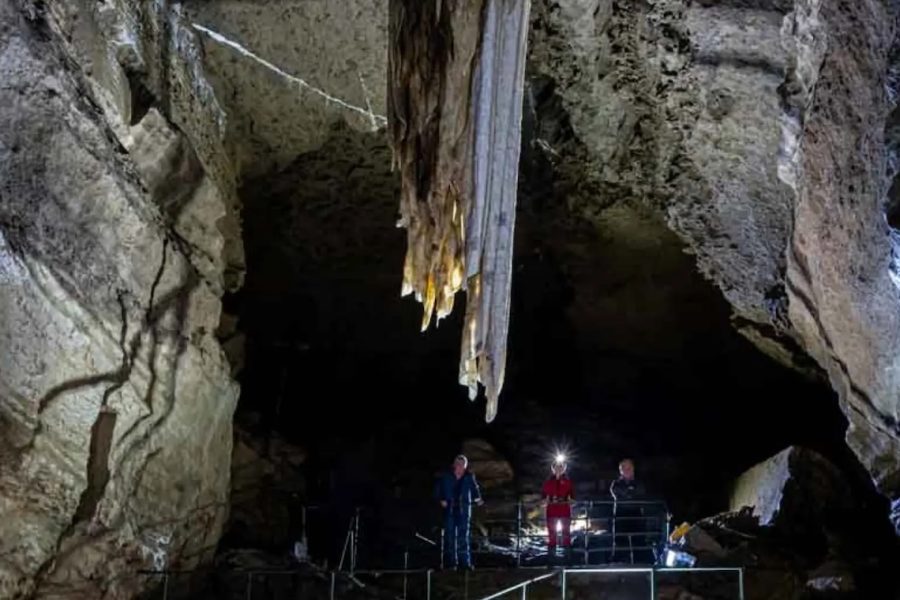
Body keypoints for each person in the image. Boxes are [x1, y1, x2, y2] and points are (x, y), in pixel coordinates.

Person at [436, 455, 483, 570]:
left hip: (463, 510)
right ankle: (451, 562)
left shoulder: (469, 477)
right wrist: (441, 499)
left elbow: (474, 489)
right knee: (450, 536)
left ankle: (464, 562)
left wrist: (478, 499)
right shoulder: (446, 476)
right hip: (450, 509)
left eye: (463, 465)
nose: (460, 467)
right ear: (454, 465)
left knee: (463, 536)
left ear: (465, 466)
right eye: (458, 464)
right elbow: (439, 489)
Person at [609, 458, 649, 563]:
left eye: (629, 468)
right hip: (621, 516)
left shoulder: (639, 483)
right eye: (624, 468)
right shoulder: (615, 484)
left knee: (639, 542)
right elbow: (618, 494)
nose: (627, 470)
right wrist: (630, 494)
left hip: (636, 515)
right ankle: (620, 564)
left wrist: (628, 494)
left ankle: (641, 564)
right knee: (620, 543)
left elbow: (640, 494)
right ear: (620, 470)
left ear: (633, 469)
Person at [542, 459, 574, 563]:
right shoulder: (548, 483)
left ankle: (567, 557)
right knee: (552, 533)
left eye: (561, 467)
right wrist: (546, 501)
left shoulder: (568, 482)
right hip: (552, 510)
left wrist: (568, 501)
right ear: (553, 469)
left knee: (566, 533)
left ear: (564, 469)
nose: (558, 469)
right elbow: (543, 496)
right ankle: (551, 558)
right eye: (556, 467)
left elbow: (572, 496)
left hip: (564, 509)